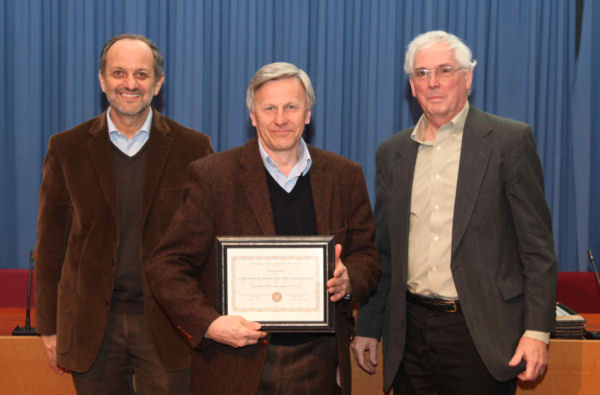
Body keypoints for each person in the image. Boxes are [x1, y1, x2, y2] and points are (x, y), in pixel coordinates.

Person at [145, 62, 380, 394]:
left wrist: (349, 280)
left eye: (291, 107)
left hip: (319, 361)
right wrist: (210, 324)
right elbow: (166, 266)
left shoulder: (344, 176)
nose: (280, 119)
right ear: (252, 116)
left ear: (308, 114)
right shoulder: (213, 176)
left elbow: (367, 256)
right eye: (269, 108)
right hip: (234, 360)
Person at [351, 30, 558, 394]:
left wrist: (537, 331)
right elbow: (384, 251)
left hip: (481, 333)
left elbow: (537, 249)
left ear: (468, 77)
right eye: (421, 73)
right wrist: (369, 325)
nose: (432, 83)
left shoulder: (508, 141)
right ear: (411, 85)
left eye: (444, 70)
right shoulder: (393, 153)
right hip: (409, 334)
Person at [34, 33, 214, 393]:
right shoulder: (66, 148)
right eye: (118, 73)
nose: (130, 84)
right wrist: (49, 326)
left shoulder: (193, 148)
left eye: (142, 75)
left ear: (158, 83)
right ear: (102, 80)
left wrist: (206, 321)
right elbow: (50, 243)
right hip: (91, 328)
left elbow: (207, 243)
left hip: (168, 324)